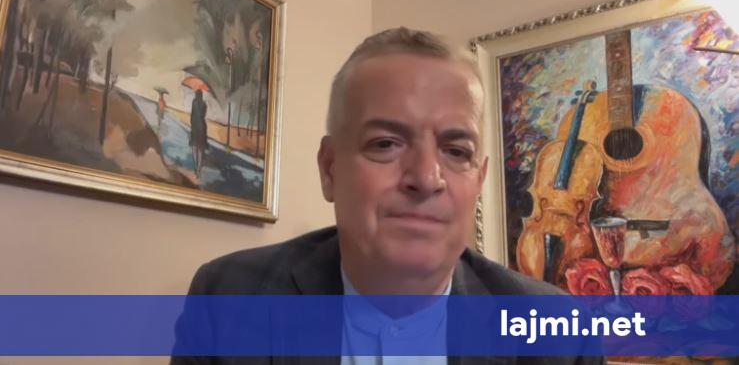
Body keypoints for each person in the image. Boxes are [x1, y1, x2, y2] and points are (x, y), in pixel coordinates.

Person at [171, 28, 603, 364]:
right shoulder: (228, 299)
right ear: (330, 169)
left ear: (479, 180)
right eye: (385, 144)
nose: (427, 178)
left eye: (456, 151)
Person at [190, 89, 208, 176]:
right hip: (202, 128)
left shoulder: (194, 102)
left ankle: (196, 166)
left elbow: (192, 115)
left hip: (195, 128)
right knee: (200, 149)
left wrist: (192, 123)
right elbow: (203, 116)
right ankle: (198, 169)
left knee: (194, 148)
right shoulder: (204, 104)